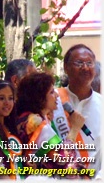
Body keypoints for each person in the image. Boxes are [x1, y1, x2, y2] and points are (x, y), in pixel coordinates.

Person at [16, 72, 86, 172]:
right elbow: (63, 159)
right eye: (52, 92)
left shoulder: (26, 117)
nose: (57, 95)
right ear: (39, 98)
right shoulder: (34, 122)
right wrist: (74, 129)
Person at [54, 44, 101, 172]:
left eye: (89, 63)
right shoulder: (52, 99)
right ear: (65, 67)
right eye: (79, 63)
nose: (85, 68)